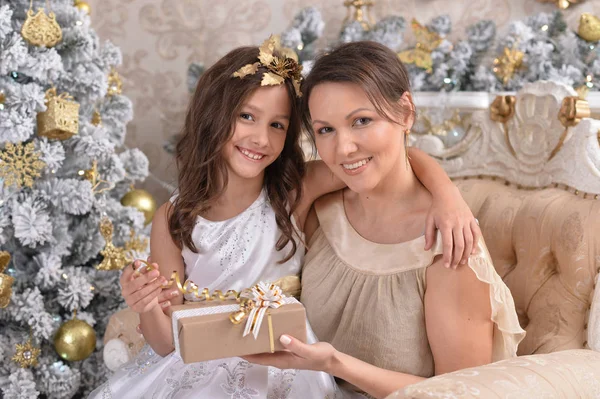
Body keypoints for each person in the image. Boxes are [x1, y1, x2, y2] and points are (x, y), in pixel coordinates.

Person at [91, 37, 482, 399]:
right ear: (214, 115)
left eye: (277, 125)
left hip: (284, 364)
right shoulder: (174, 217)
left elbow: (394, 155)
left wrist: (447, 196)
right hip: (197, 365)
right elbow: (164, 342)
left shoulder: (294, 191)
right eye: (247, 116)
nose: (261, 138)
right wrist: (145, 304)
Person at [245, 41, 526, 399]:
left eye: (361, 121)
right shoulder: (318, 208)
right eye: (326, 130)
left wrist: (335, 364)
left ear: (405, 113)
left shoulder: (450, 245)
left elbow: (461, 392)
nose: (344, 148)